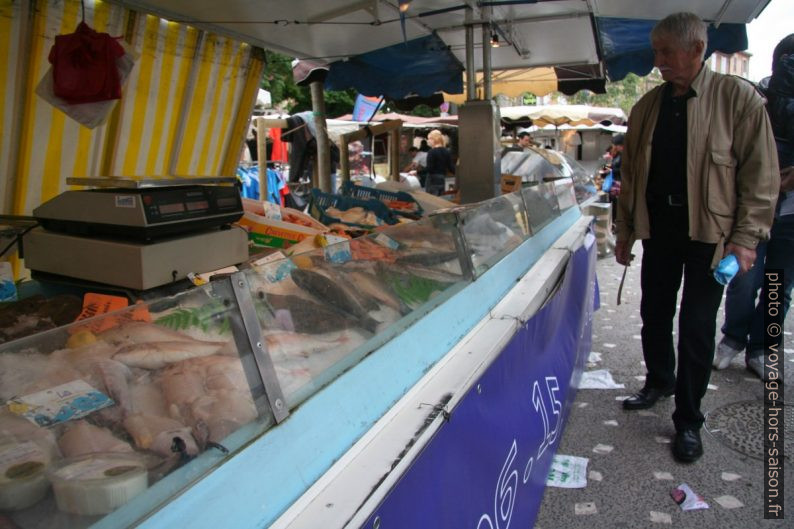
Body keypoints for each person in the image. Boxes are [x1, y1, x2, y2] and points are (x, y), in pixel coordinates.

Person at [614, 12, 779, 464]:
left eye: (666, 51)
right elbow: (630, 176)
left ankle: (689, 419)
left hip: (712, 235)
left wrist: (746, 241)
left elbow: (760, 178)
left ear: (697, 50)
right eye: (657, 51)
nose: (658, 60)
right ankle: (659, 380)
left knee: (697, 326)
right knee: (653, 311)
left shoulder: (737, 99)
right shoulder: (647, 106)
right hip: (660, 231)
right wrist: (625, 232)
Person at [713, 34, 794, 379]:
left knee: (779, 283)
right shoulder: (756, 98)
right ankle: (733, 337)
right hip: (753, 210)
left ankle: (762, 347)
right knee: (744, 278)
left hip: (790, 216)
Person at [425, 129, 454, 196]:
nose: (428, 141)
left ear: (434, 140)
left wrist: (417, 172)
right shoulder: (447, 151)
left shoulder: (431, 152)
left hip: (432, 179)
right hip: (443, 178)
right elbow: (451, 168)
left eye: (429, 139)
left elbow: (430, 168)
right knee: (442, 198)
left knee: (432, 200)